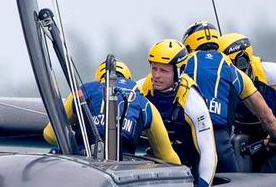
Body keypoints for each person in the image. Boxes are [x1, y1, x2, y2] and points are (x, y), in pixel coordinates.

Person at [181, 21, 276, 172]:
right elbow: (266, 115)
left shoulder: (180, 67)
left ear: (188, 46)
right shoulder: (232, 70)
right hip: (220, 142)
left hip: (187, 142)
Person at [43, 58, 181, 165]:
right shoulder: (146, 105)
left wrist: (73, 144)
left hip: (80, 163)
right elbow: (168, 156)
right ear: (128, 79)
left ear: (99, 78)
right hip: (123, 169)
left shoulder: (81, 92)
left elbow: (49, 135)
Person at [136, 39, 218, 187]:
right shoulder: (140, 88)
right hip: (148, 167)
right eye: (154, 68)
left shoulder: (193, 100)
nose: (156, 76)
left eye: (164, 70)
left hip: (185, 170)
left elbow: (208, 152)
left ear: (179, 71)